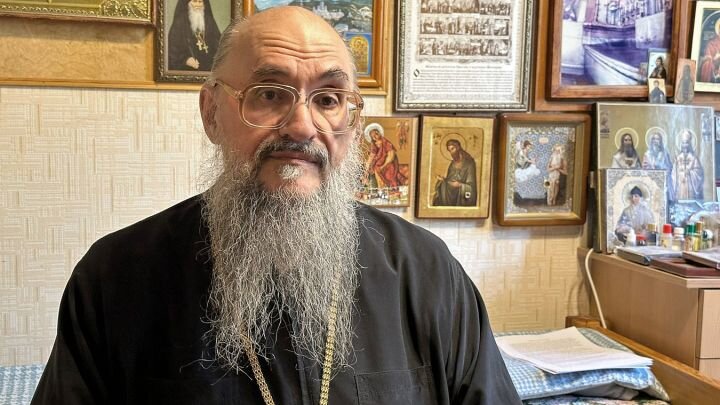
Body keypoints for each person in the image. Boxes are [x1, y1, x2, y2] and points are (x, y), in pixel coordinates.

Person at [31, 6, 521, 404]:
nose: (303, 127)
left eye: (328, 99)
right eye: (269, 94)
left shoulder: (427, 273)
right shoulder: (116, 277)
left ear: (352, 123)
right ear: (211, 113)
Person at [168, 0, 222, 71]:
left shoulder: (209, 21)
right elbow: (172, 51)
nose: (197, 5)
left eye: (200, 2)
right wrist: (186, 60)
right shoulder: (179, 23)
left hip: (209, 70)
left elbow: (219, 46)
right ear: (187, 3)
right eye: (194, 1)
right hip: (188, 71)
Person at [433, 139, 478, 206]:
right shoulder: (452, 164)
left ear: (458, 147)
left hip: (461, 196)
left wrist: (460, 185)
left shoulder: (469, 163)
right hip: (450, 194)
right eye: (449, 150)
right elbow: (450, 180)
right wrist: (443, 180)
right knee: (442, 186)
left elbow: (471, 186)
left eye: (452, 149)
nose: (451, 152)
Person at [362, 123, 406, 191]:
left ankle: (387, 188)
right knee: (374, 169)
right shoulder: (373, 145)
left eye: (376, 134)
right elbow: (371, 156)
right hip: (378, 164)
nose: (375, 137)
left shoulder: (386, 143)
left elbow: (391, 156)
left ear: (379, 133)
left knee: (382, 170)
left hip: (389, 163)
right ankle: (378, 188)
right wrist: (366, 168)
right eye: (373, 136)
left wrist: (383, 166)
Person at [671, 129, 704, 201]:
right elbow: (673, 173)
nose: (685, 145)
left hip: (690, 185)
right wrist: (678, 172)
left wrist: (690, 172)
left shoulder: (694, 158)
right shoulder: (678, 158)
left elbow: (698, 173)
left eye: (686, 143)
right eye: (683, 143)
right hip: (680, 185)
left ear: (690, 144)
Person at [642, 131, 675, 199]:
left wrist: (661, 168)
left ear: (660, 141)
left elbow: (669, 167)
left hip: (663, 180)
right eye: (654, 139)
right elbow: (644, 168)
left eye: (657, 139)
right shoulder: (647, 154)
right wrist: (649, 167)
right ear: (651, 141)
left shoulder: (665, 153)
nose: (655, 141)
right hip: (651, 180)